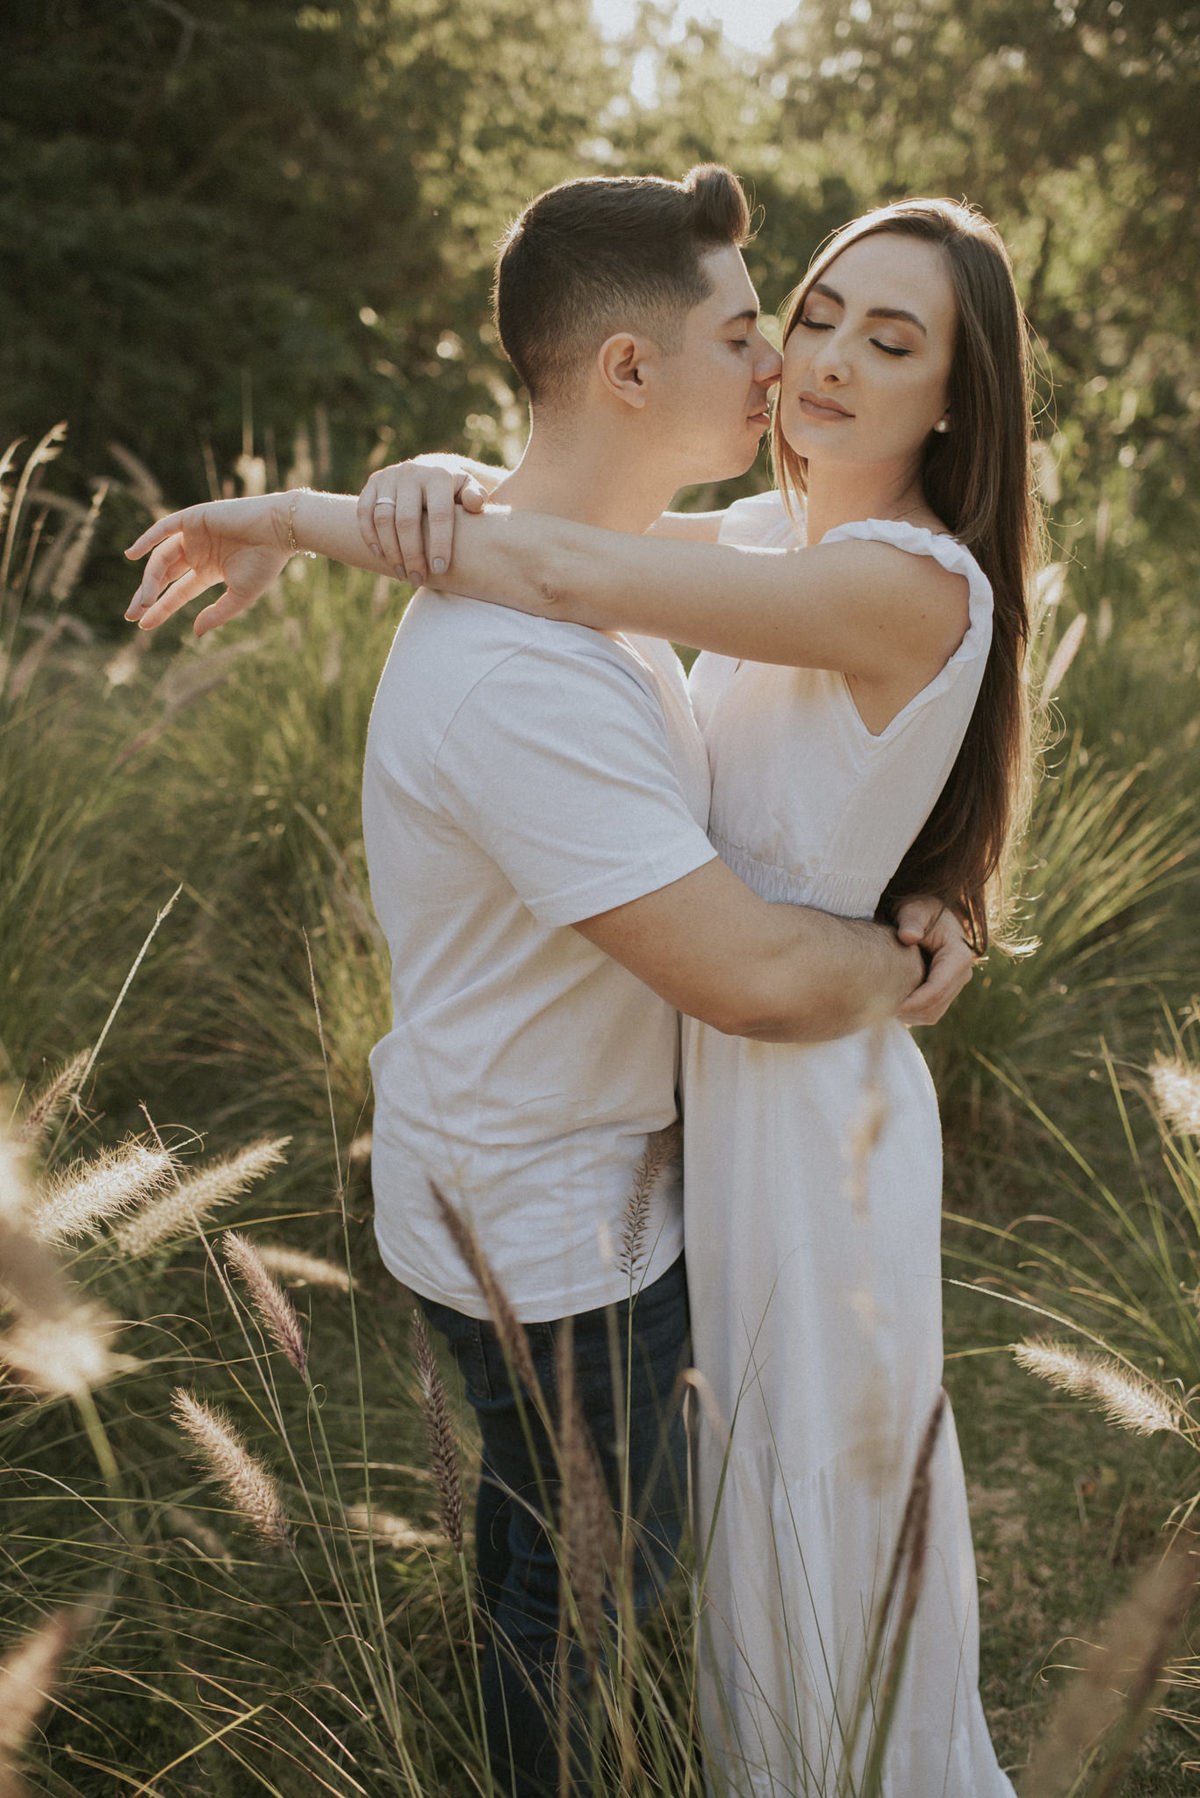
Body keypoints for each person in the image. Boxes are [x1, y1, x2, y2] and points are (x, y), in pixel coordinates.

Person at [124, 166, 974, 1798]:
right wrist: (909, 958)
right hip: (552, 1211)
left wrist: (338, 505)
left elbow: (569, 555)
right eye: (754, 332)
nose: (782, 369)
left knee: (571, 1554)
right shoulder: (525, 672)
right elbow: (741, 970)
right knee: (586, 1587)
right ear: (630, 370)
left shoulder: (593, 567)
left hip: (585, 1163)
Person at [353, 196, 1038, 1796]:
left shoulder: (892, 579)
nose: (814, 361)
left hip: (802, 1086)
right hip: (701, 1100)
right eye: (802, 319)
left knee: (813, 1496)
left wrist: (902, 949)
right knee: (692, 1527)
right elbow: (552, 538)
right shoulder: (777, 541)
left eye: (890, 340)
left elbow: (556, 555)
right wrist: (396, 489)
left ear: (958, 397)